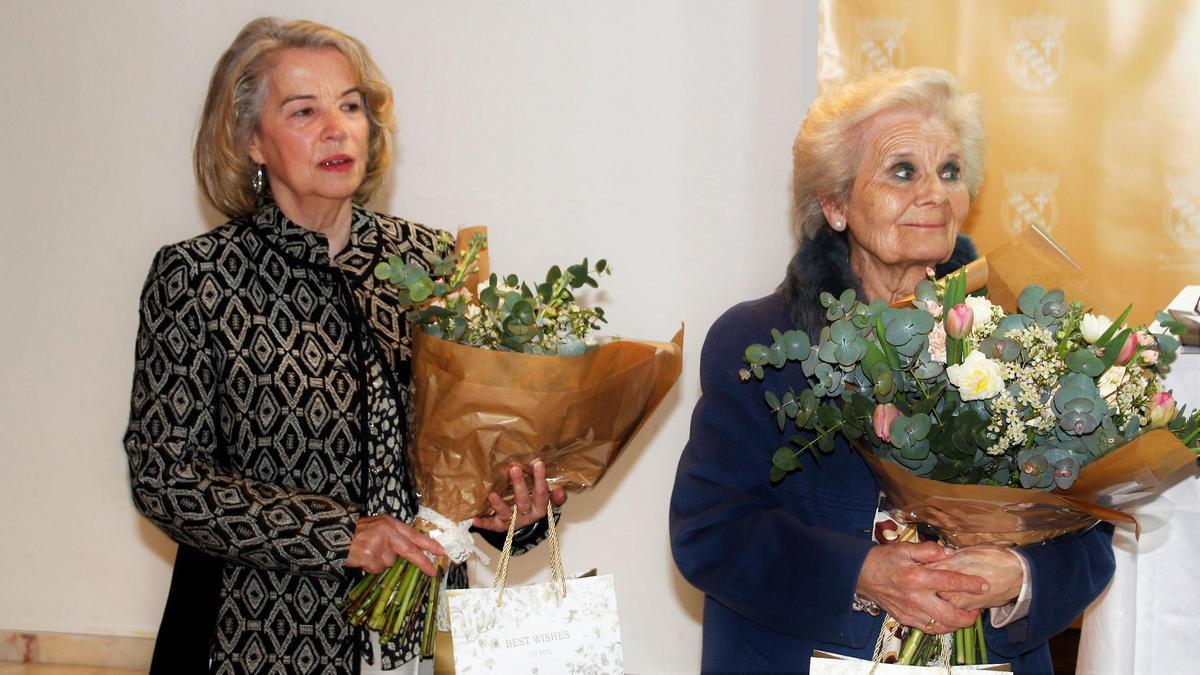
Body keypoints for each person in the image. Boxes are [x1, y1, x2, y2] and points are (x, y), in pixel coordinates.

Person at [123, 17, 566, 674]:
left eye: (350, 106)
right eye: (304, 110)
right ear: (250, 140)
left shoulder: (434, 264)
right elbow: (166, 478)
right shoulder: (198, 278)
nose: (337, 127)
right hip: (256, 638)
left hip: (413, 642)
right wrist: (337, 534)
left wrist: (516, 512)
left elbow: (472, 452)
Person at [669, 67, 1114, 674]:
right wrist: (862, 572)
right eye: (903, 171)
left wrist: (1020, 574)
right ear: (835, 204)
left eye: (950, 172)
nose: (934, 193)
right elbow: (711, 530)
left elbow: (1088, 536)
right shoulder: (757, 345)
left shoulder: (1026, 340)